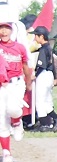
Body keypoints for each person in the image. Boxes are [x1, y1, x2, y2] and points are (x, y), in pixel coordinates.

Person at [0, 19, 33, 153]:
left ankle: (17, 122)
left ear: (11, 31)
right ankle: (6, 152)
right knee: (1, 118)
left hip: (16, 82)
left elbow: (25, 65)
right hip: (2, 85)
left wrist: (28, 81)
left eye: (6, 28)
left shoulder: (19, 47)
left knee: (13, 109)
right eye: (1, 28)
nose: (3, 31)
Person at [31, 26, 57, 132]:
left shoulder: (43, 49)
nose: (35, 38)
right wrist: (55, 77)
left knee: (40, 101)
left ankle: (45, 124)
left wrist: (35, 75)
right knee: (46, 101)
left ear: (41, 36)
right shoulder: (49, 47)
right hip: (49, 74)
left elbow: (41, 65)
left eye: (36, 36)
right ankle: (56, 119)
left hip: (44, 74)